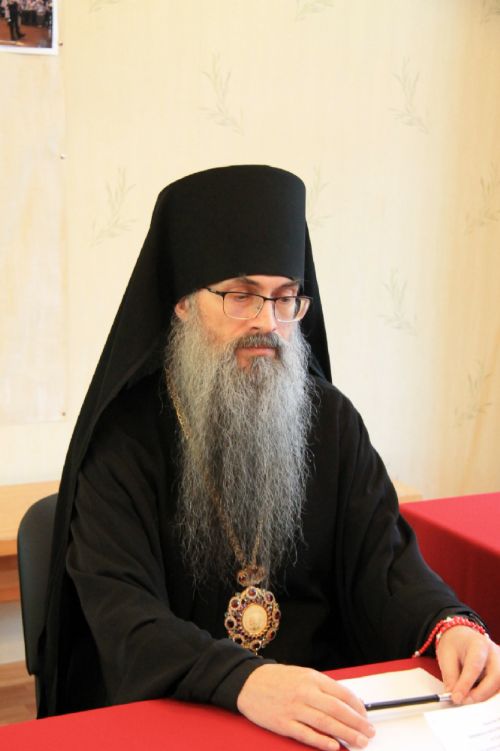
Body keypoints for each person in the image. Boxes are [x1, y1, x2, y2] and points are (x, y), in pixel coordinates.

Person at [39, 166, 499, 750]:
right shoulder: (124, 440)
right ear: (182, 304)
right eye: (241, 296)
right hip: (184, 715)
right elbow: (123, 615)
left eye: (285, 299)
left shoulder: (330, 421)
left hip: (326, 716)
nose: (267, 323)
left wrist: (448, 623)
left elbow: (384, 565)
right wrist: (243, 680)